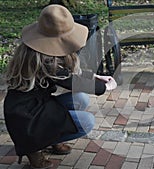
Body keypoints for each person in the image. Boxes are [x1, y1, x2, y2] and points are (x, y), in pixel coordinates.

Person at [3, 4, 117, 169]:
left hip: (35, 106)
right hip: (26, 119)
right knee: (87, 122)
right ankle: (34, 148)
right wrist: (105, 88)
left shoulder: (36, 52)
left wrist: (95, 76)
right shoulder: (45, 62)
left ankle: (52, 138)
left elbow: (67, 74)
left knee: (80, 99)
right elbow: (72, 82)